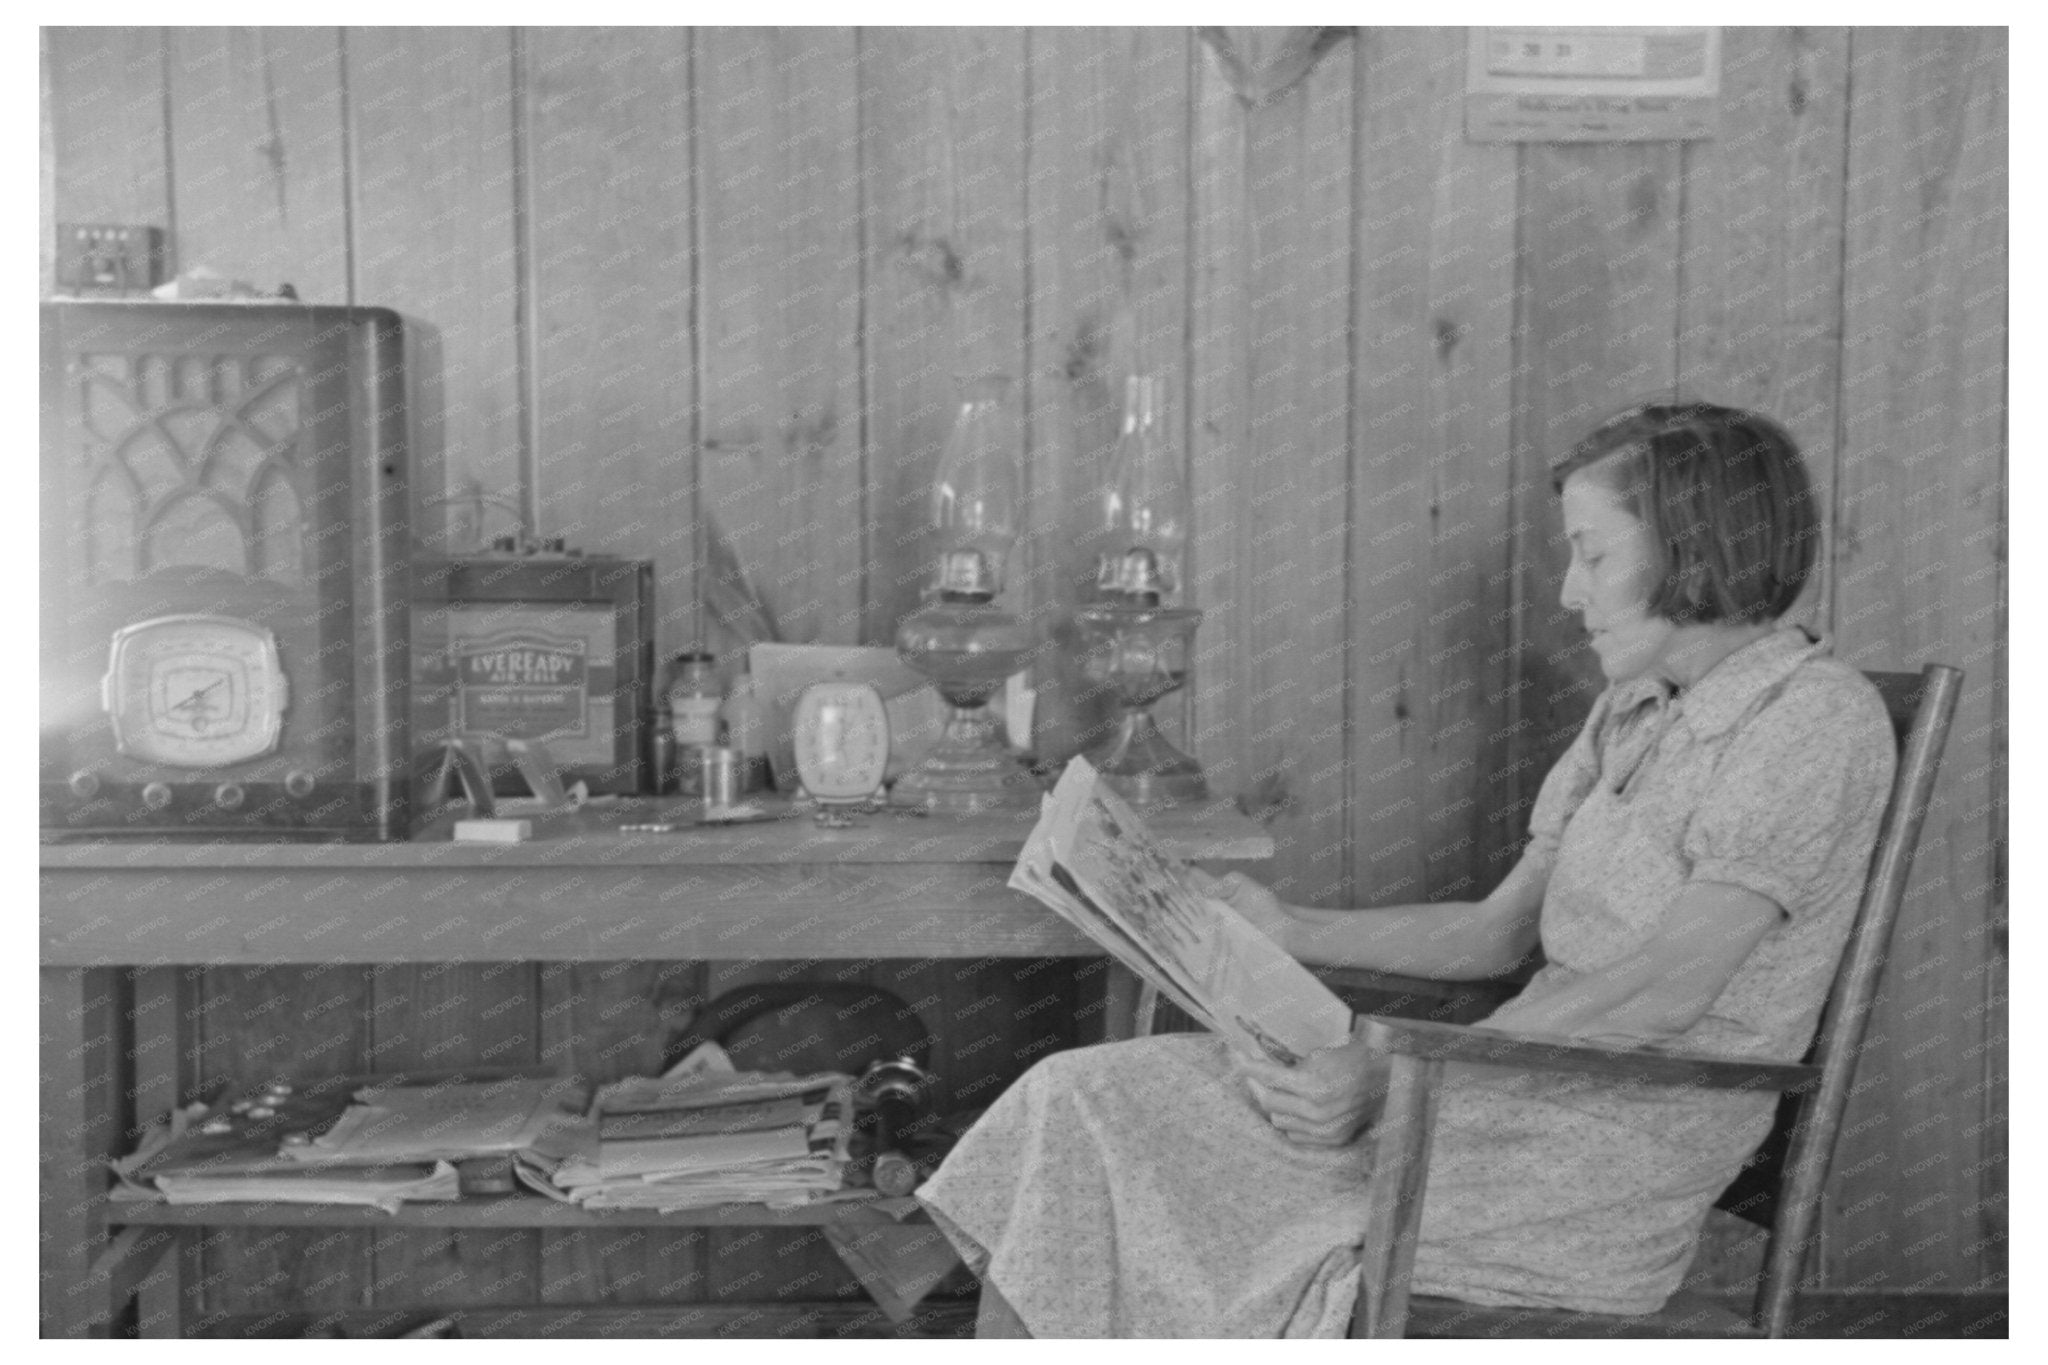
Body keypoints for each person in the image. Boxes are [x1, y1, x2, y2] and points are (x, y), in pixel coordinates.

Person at [915, 401, 1899, 1338]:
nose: (1567, 591)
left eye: (1590, 554)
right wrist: (1290, 928)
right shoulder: (1638, 703)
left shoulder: (1812, 721)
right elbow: (1499, 930)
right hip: (1485, 1091)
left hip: (1587, 1166)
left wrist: (1390, 1074)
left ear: (1693, 546)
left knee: (1132, 1158)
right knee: (1080, 1098)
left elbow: (1662, 990)